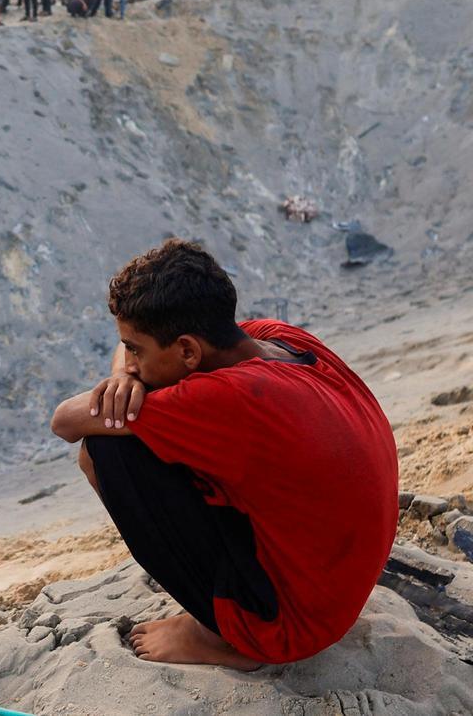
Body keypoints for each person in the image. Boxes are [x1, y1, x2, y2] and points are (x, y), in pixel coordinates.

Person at [50, 239, 396, 670]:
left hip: (290, 626)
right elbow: (132, 353)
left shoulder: (225, 398)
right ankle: (230, 609)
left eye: (137, 351)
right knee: (136, 426)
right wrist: (126, 374)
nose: (130, 360)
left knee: (106, 447)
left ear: (188, 351)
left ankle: (225, 639)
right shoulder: (278, 338)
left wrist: (123, 386)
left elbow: (65, 421)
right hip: (334, 589)